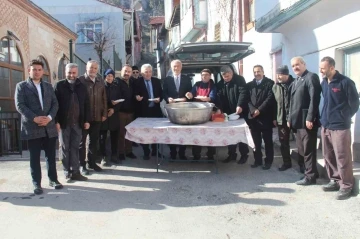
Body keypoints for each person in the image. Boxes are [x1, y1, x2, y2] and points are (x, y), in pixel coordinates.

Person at [15, 59, 62, 195]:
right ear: (29, 70)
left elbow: (55, 104)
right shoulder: (21, 86)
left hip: (49, 126)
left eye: (39, 69)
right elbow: (20, 105)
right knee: (35, 157)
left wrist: (49, 118)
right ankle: (37, 183)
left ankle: (53, 180)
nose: (36, 72)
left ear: (43, 71)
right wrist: (34, 118)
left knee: (51, 156)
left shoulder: (48, 86)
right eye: (34, 69)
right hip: (32, 126)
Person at [319, 56, 359, 200]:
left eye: (323, 68)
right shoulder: (324, 82)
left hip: (340, 126)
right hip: (326, 125)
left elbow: (354, 103)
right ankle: (335, 180)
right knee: (328, 156)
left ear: (331, 68)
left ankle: (346, 185)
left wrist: (343, 117)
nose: (320, 70)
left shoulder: (345, 82)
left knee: (342, 156)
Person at [288, 56, 321, 185]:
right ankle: (312, 172)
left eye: (297, 64)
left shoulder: (311, 77)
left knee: (309, 150)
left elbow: (315, 99)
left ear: (304, 64)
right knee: (302, 150)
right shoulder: (296, 80)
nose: (295, 68)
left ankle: (310, 177)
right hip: (298, 122)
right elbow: (292, 103)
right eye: (293, 66)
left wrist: (310, 117)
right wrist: (290, 118)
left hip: (307, 121)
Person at [54, 63, 90, 182]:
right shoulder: (59, 86)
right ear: (65, 72)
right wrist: (56, 121)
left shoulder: (82, 87)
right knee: (65, 148)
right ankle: (66, 172)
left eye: (74, 72)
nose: (71, 75)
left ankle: (75, 172)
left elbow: (86, 104)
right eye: (69, 72)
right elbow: (54, 105)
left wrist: (86, 120)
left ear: (77, 72)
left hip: (78, 124)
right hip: (64, 123)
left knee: (75, 147)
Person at [78, 60, 107, 175]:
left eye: (95, 68)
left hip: (97, 117)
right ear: (86, 68)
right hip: (85, 117)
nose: (93, 70)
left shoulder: (100, 81)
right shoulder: (80, 81)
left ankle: (92, 162)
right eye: (91, 68)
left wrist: (104, 113)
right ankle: (82, 164)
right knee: (82, 142)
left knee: (94, 141)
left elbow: (104, 98)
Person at [216, 65, 249, 164]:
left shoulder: (239, 80)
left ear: (232, 73)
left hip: (240, 112)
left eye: (228, 75)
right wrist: (219, 109)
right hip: (228, 114)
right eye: (224, 76)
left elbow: (243, 92)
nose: (227, 78)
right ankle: (232, 154)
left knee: (241, 134)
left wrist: (240, 105)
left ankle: (244, 155)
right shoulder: (220, 84)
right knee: (229, 134)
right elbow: (219, 97)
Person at [246, 65, 275, 170]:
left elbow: (270, 98)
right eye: (255, 72)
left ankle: (268, 161)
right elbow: (247, 99)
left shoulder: (270, 83)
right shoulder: (249, 85)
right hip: (254, 118)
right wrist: (253, 110)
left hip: (266, 117)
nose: (256, 73)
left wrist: (260, 110)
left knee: (268, 142)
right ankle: (257, 160)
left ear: (263, 72)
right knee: (255, 142)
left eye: (258, 71)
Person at [163, 59, 193, 160]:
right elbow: (164, 92)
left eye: (178, 66)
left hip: (184, 109)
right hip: (172, 109)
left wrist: (187, 96)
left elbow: (190, 91)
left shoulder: (186, 78)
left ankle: (182, 153)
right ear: (171, 68)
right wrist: (168, 98)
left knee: (183, 131)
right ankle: (172, 153)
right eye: (174, 66)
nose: (176, 68)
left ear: (181, 67)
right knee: (172, 131)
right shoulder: (167, 79)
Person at [134, 64, 163, 160]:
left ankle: (155, 150)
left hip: (155, 110)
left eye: (150, 71)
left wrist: (159, 99)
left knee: (156, 132)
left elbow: (161, 94)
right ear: (142, 73)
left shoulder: (157, 81)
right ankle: (146, 152)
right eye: (146, 72)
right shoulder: (137, 82)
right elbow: (135, 94)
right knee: (144, 132)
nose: (148, 74)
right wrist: (137, 97)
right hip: (143, 111)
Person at [186, 69, 217, 161]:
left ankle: (210, 155)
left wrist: (205, 98)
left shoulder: (213, 86)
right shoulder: (197, 84)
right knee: (196, 134)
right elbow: (192, 94)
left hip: (209, 113)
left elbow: (212, 97)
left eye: (206, 75)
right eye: (203, 75)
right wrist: (189, 95)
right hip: (197, 113)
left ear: (210, 76)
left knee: (210, 134)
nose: (204, 76)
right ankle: (196, 155)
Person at [272, 65, 295, 171]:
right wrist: (274, 118)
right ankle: (287, 162)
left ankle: (303, 165)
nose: (278, 77)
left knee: (301, 143)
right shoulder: (275, 87)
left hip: (296, 119)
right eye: (277, 74)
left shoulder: (295, 83)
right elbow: (273, 104)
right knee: (283, 142)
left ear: (286, 74)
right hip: (282, 120)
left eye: (280, 74)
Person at [99, 69, 122, 166]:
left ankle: (114, 155)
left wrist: (114, 109)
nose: (109, 78)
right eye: (108, 76)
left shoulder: (116, 87)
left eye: (111, 76)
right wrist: (105, 111)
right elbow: (99, 101)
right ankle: (103, 157)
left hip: (114, 115)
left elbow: (120, 101)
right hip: (104, 115)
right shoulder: (101, 87)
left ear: (113, 77)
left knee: (114, 137)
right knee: (102, 137)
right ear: (105, 77)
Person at [117, 65, 137, 160]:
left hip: (131, 112)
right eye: (125, 71)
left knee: (130, 133)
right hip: (121, 112)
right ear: (121, 71)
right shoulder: (117, 82)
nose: (127, 73)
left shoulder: (132, 82)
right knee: (121, 133)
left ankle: (129, 151)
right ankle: (121, 152)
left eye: (129, 72)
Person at [131, 65, 140, 147]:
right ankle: (133, 141)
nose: (135, 74)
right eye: (133, 72)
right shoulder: (130, 81)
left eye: (137, 72)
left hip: (140, 105)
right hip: (132, 105)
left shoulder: (141, 80)